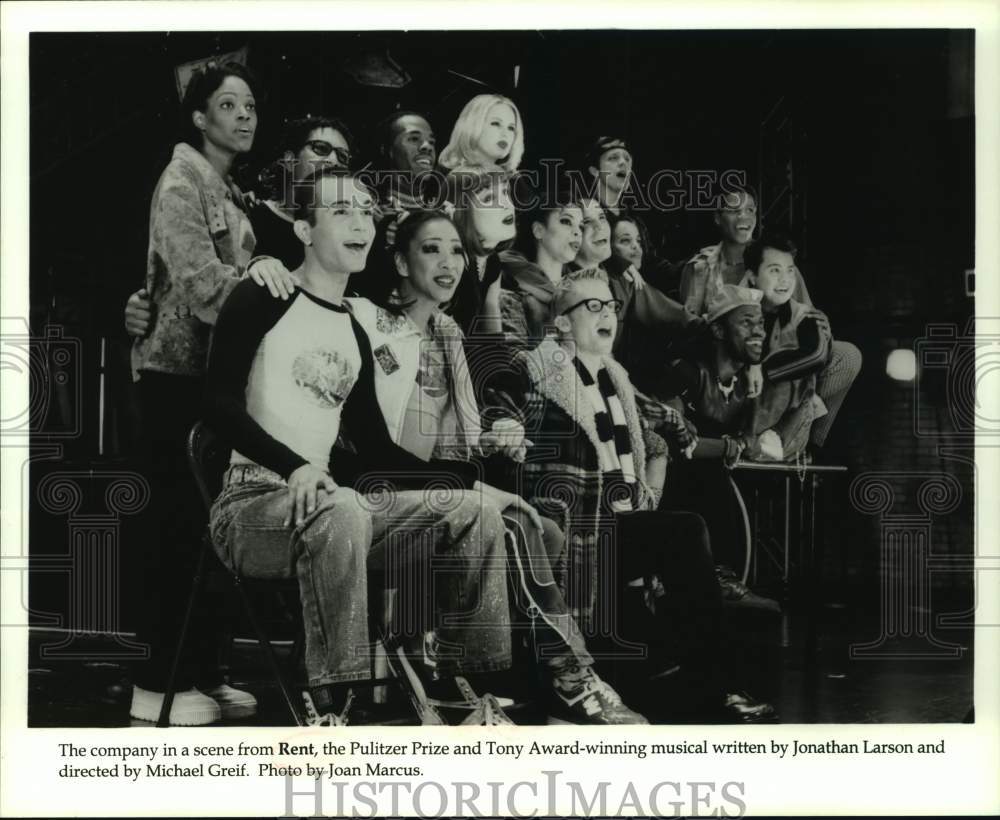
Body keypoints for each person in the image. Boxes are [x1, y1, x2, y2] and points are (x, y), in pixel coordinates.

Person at [205, 168, 517, 726]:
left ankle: (461, 688)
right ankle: (332, 705)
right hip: (251, 508)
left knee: (472, 515)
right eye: (342, 211)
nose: (361, 223)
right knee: (344, 506)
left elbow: (375, 454)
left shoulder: (352, 329)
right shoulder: (265, 292)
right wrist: (295, 465)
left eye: (367, 212)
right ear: (303, 230)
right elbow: (219, 404)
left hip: (332, 512)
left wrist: (473, 483)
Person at [353, 207, 647, 724]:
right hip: (382, 489)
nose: (449, 262)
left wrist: (493, 437)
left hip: (439, 491)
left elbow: (458, 435)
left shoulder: (447, 332)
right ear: (400, 262)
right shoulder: (368, 322)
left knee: (545, 529)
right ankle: (570, 679)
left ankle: (513, 681)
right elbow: (377, 445)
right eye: (431, 249)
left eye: (456, 251)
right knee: (513, 521)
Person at [487, 269, 776, 722]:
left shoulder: (614, 374)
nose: (608, 315)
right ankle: (716, 684)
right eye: (593, 307)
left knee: (685, 525)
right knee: (684, 530)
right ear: (562, 322)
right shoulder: (538, 368)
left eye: (611, 306)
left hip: (616, 524)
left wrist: (667, 441)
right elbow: (501, 404)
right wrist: (505, 427)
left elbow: (662, 422)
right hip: (576, 528)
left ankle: (710, 681)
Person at [127, 61, 265, 725]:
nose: (244, 115)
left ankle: (205, 671)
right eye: (229, 104)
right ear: (199, 116)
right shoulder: (182, 180)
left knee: (212, 529)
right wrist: (269, 308)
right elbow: (199, 281)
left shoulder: (233, 192)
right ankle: (158, 683)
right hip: (172, 381)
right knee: (174, 534)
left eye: (250, 106)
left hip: (214, 382)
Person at [438, 94, 525, 174]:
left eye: (511, 128)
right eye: (496, 124)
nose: (505, 134)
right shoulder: (445, 174)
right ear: (473, 125)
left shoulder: (513, 180)